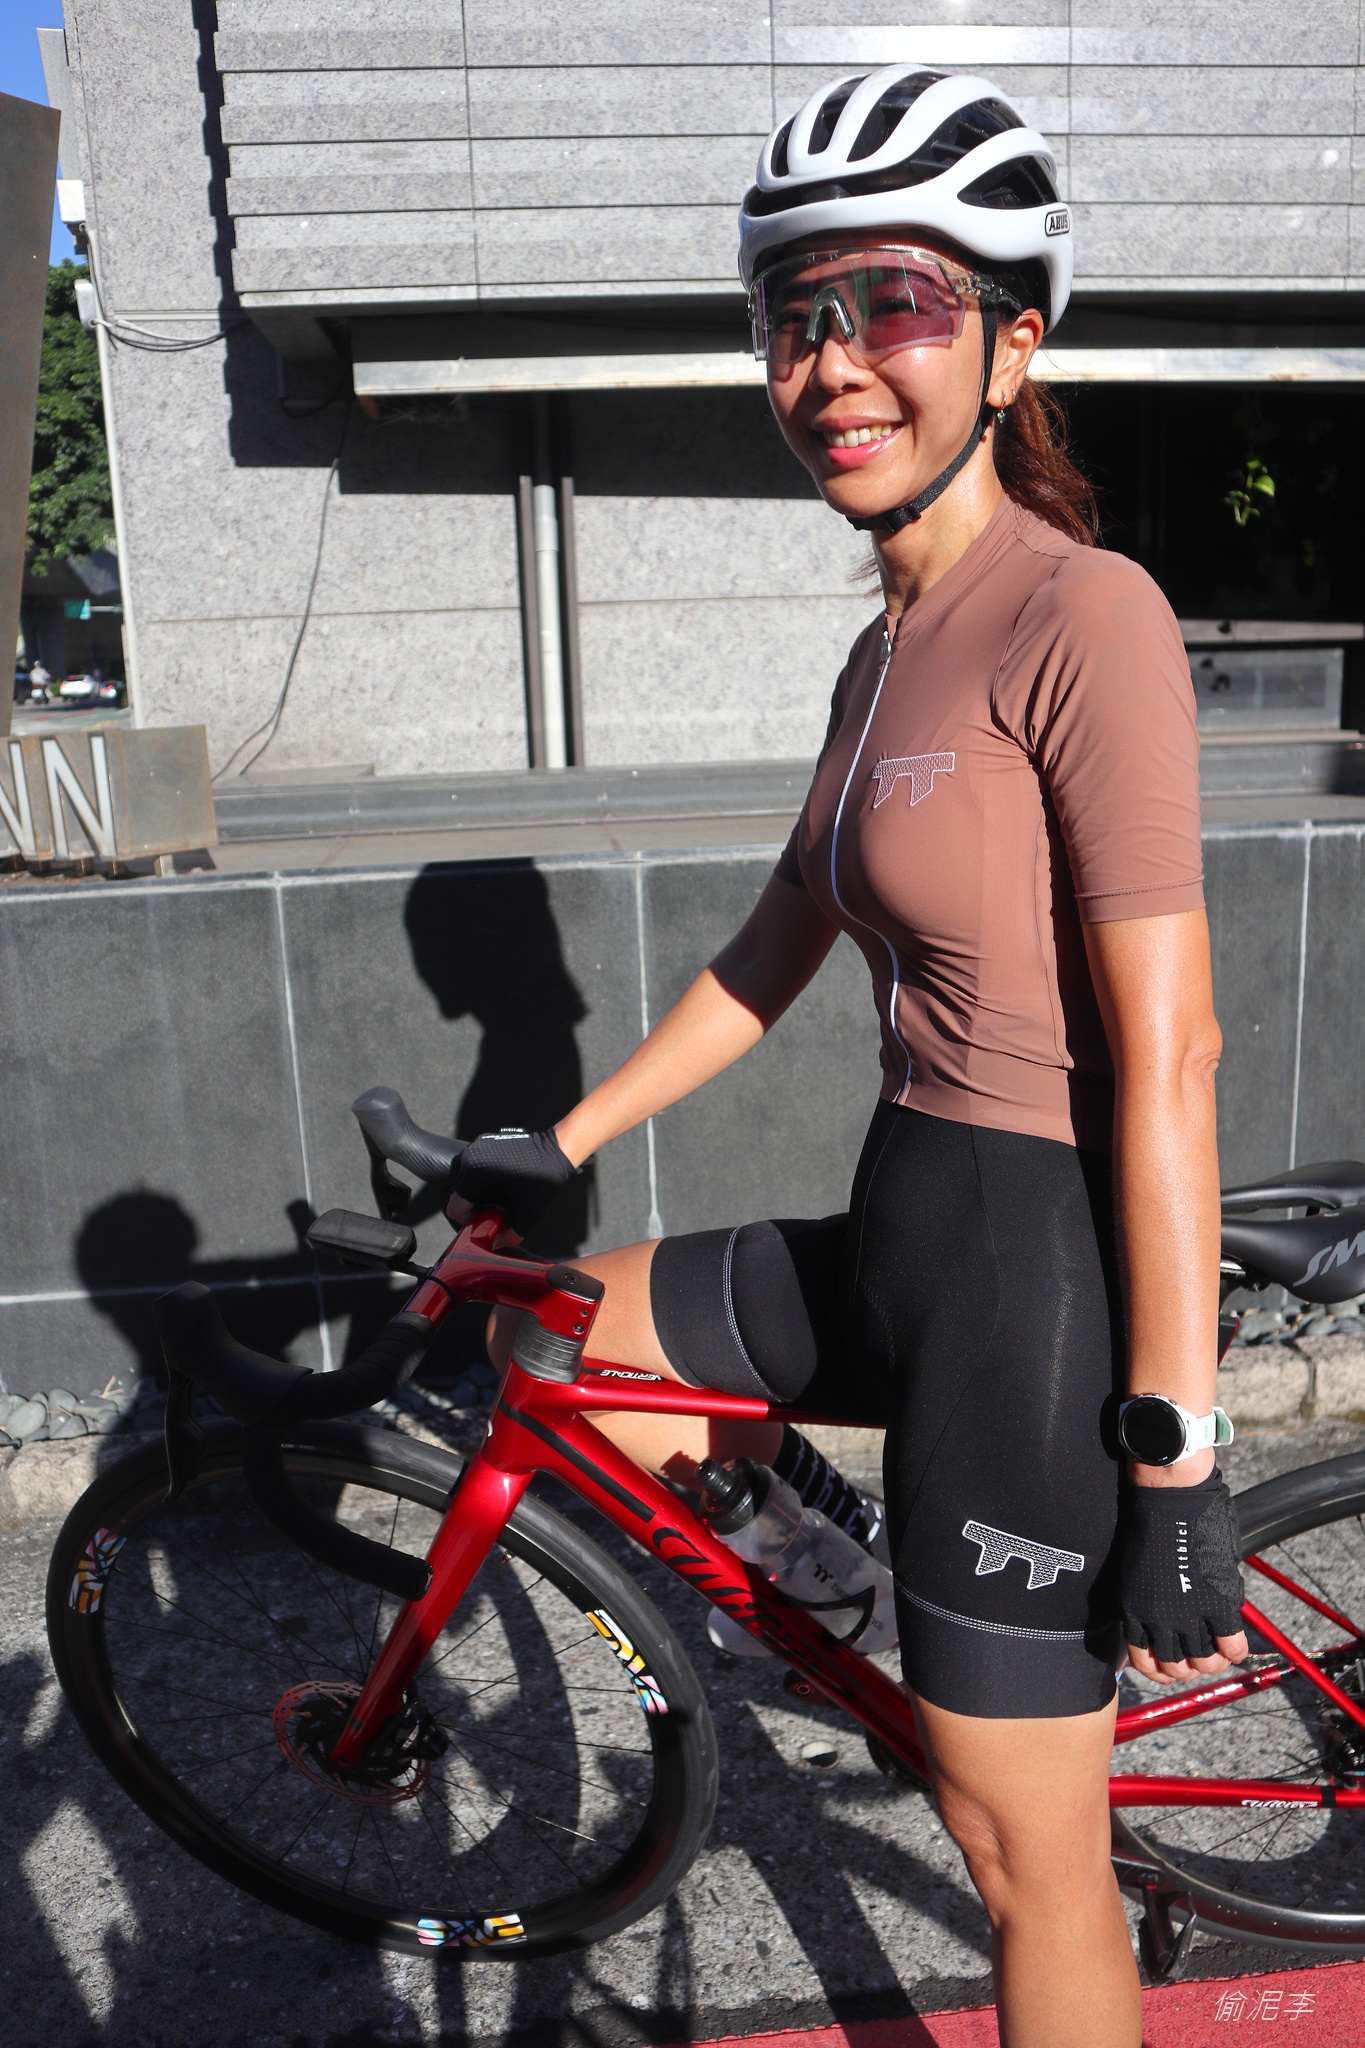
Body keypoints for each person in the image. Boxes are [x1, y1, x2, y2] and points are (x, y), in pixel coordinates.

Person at [450, 68, 1247, 2048]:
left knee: (1023, 1861)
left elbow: (1171, 1051)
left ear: (1008, 343)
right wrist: (562, 1133)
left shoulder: (1082, 613)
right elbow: (769, 950)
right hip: (905, 1225)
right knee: (559, 1337)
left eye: (890, 301)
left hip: (1029, 1284)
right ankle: (878, 1599)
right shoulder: (881, 647)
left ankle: (989, 1676)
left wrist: (1174, 1446)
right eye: (789, 315)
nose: (829, 362)